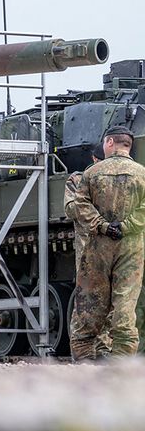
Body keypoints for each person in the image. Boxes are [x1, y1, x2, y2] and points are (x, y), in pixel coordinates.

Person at [68, 126, 145, 359]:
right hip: (131, 246)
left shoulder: (91, 173)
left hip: (97, 246)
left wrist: (103, 225)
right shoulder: (142, 173)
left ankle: (84, 360)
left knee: (89, 303)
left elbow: (78, 205)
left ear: (110, 142)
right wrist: (126, 226)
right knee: (125, 302)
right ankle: (121, 360)